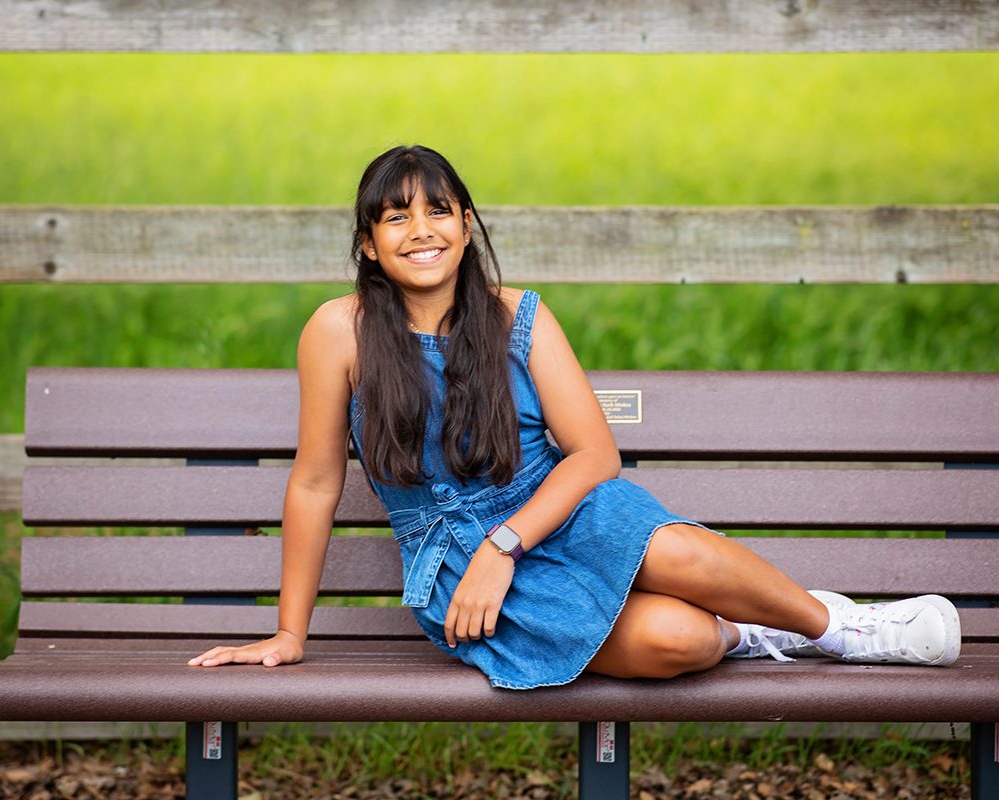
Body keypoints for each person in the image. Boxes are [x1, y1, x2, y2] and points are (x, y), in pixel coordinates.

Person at [188, 144, 962, 689]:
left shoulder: (517, 315)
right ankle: (753, 630)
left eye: (438, 211)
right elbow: (316, 484)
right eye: (396, 217)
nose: (420, 230)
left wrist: (506, 542)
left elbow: (594, 455)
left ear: (466, 225)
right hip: (457, 570)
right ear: (367, 244)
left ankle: (845, 630)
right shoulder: (338, 332)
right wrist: (290, 634)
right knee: (682, 639)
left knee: (684, 556)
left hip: (559, 509)